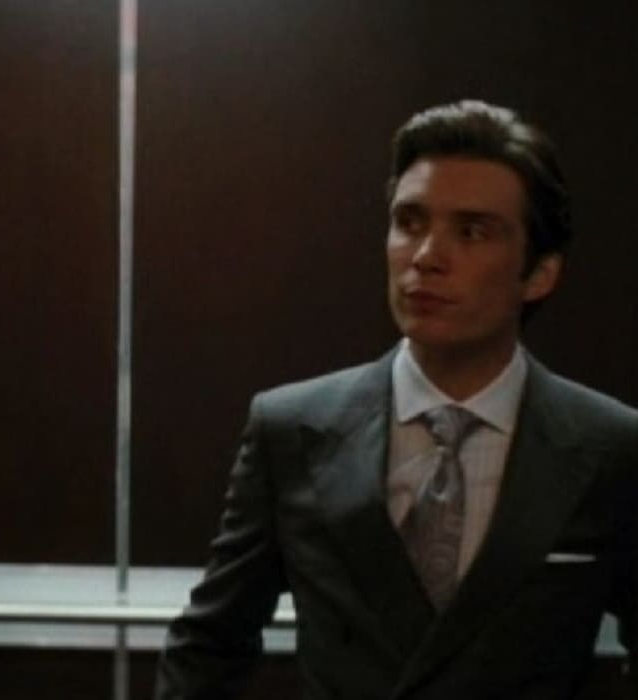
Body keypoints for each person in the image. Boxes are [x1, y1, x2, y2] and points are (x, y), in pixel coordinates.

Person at [155, 100, 638, 698]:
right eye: (409, 222)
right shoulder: (293, 430)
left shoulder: (610, 448)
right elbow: (209, 645)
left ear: (539, 273)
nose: (426, 256)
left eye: (472, 231)